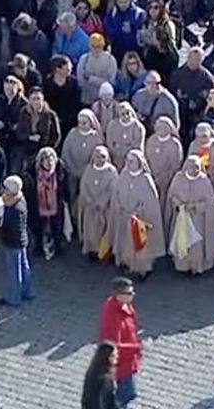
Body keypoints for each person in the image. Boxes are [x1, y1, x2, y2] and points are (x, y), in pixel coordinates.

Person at [111, 150, 166, 278]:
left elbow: (151, 202)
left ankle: (143, 269)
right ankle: (128, 264)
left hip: (140, 219)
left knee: (141, 245)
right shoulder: (123, 175)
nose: (128, 163)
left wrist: (138, 212)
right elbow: (116, 194)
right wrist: (119, 206)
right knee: (125, 242)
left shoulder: (146, 179)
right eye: (127, 160)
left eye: (131, 161)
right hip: (124, 216)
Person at [165, 155, 214, 275]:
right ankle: (182, 266)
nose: (192, 169)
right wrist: (176, 202)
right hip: (181, 216)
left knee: (196, 245)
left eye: (196, 166)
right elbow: (171, 196)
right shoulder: (178, 178)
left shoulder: (204, 180)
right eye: (190, 166)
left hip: (197, 219)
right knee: (182, 241)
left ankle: (196, 267)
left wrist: (196, 206)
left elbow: (210, 202)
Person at [96, 278, 142, 408]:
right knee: (127, 393)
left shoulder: (125, 306)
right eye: (129, 293)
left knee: (125, 393)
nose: (133, 295)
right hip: (121, 363)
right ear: (118, 295)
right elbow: (113, 345)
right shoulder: (112, 318)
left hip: (128, 359)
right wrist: (136, 347)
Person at [0, 174, 35, 306]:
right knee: (24, 267)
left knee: (14, 271)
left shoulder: (13, 209)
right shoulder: (20, 200)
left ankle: (14, 297)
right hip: (21, 240)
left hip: (12, 242)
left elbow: (6, 226)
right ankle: (27, 291)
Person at [81, 343, 121, 409]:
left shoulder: (93, 371)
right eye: (114, 355)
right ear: (107, 358)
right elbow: (104, 400)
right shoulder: (104, 379)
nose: (117, 356)